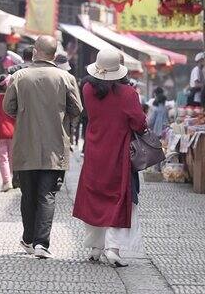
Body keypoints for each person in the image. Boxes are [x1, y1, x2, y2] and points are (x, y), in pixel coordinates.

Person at [4, 35, 82, 259]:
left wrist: (24, 113)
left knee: (27, 194)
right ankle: (41, 243)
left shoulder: (19, 76)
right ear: (55, 55)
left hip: (25, 144)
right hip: (55, 145)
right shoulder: (65, 77)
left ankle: (28, 239)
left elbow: (8, 107)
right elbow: (76, 108)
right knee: (47, 194)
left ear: (35, 51)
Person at [73, 48, 147, 267]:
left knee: (95, 197)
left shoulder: (87, 89)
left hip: (94, 150)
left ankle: (96, 247)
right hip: (118, 153)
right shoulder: (127, 94)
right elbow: (139, 123)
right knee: (118, 198)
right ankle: (113, 248)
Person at [0, 74, 16, 192]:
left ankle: (6, 181)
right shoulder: (14, 99)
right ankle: (12, 178)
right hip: (14, 132)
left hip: (0, 132)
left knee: (2, 158)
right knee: (12, 157)